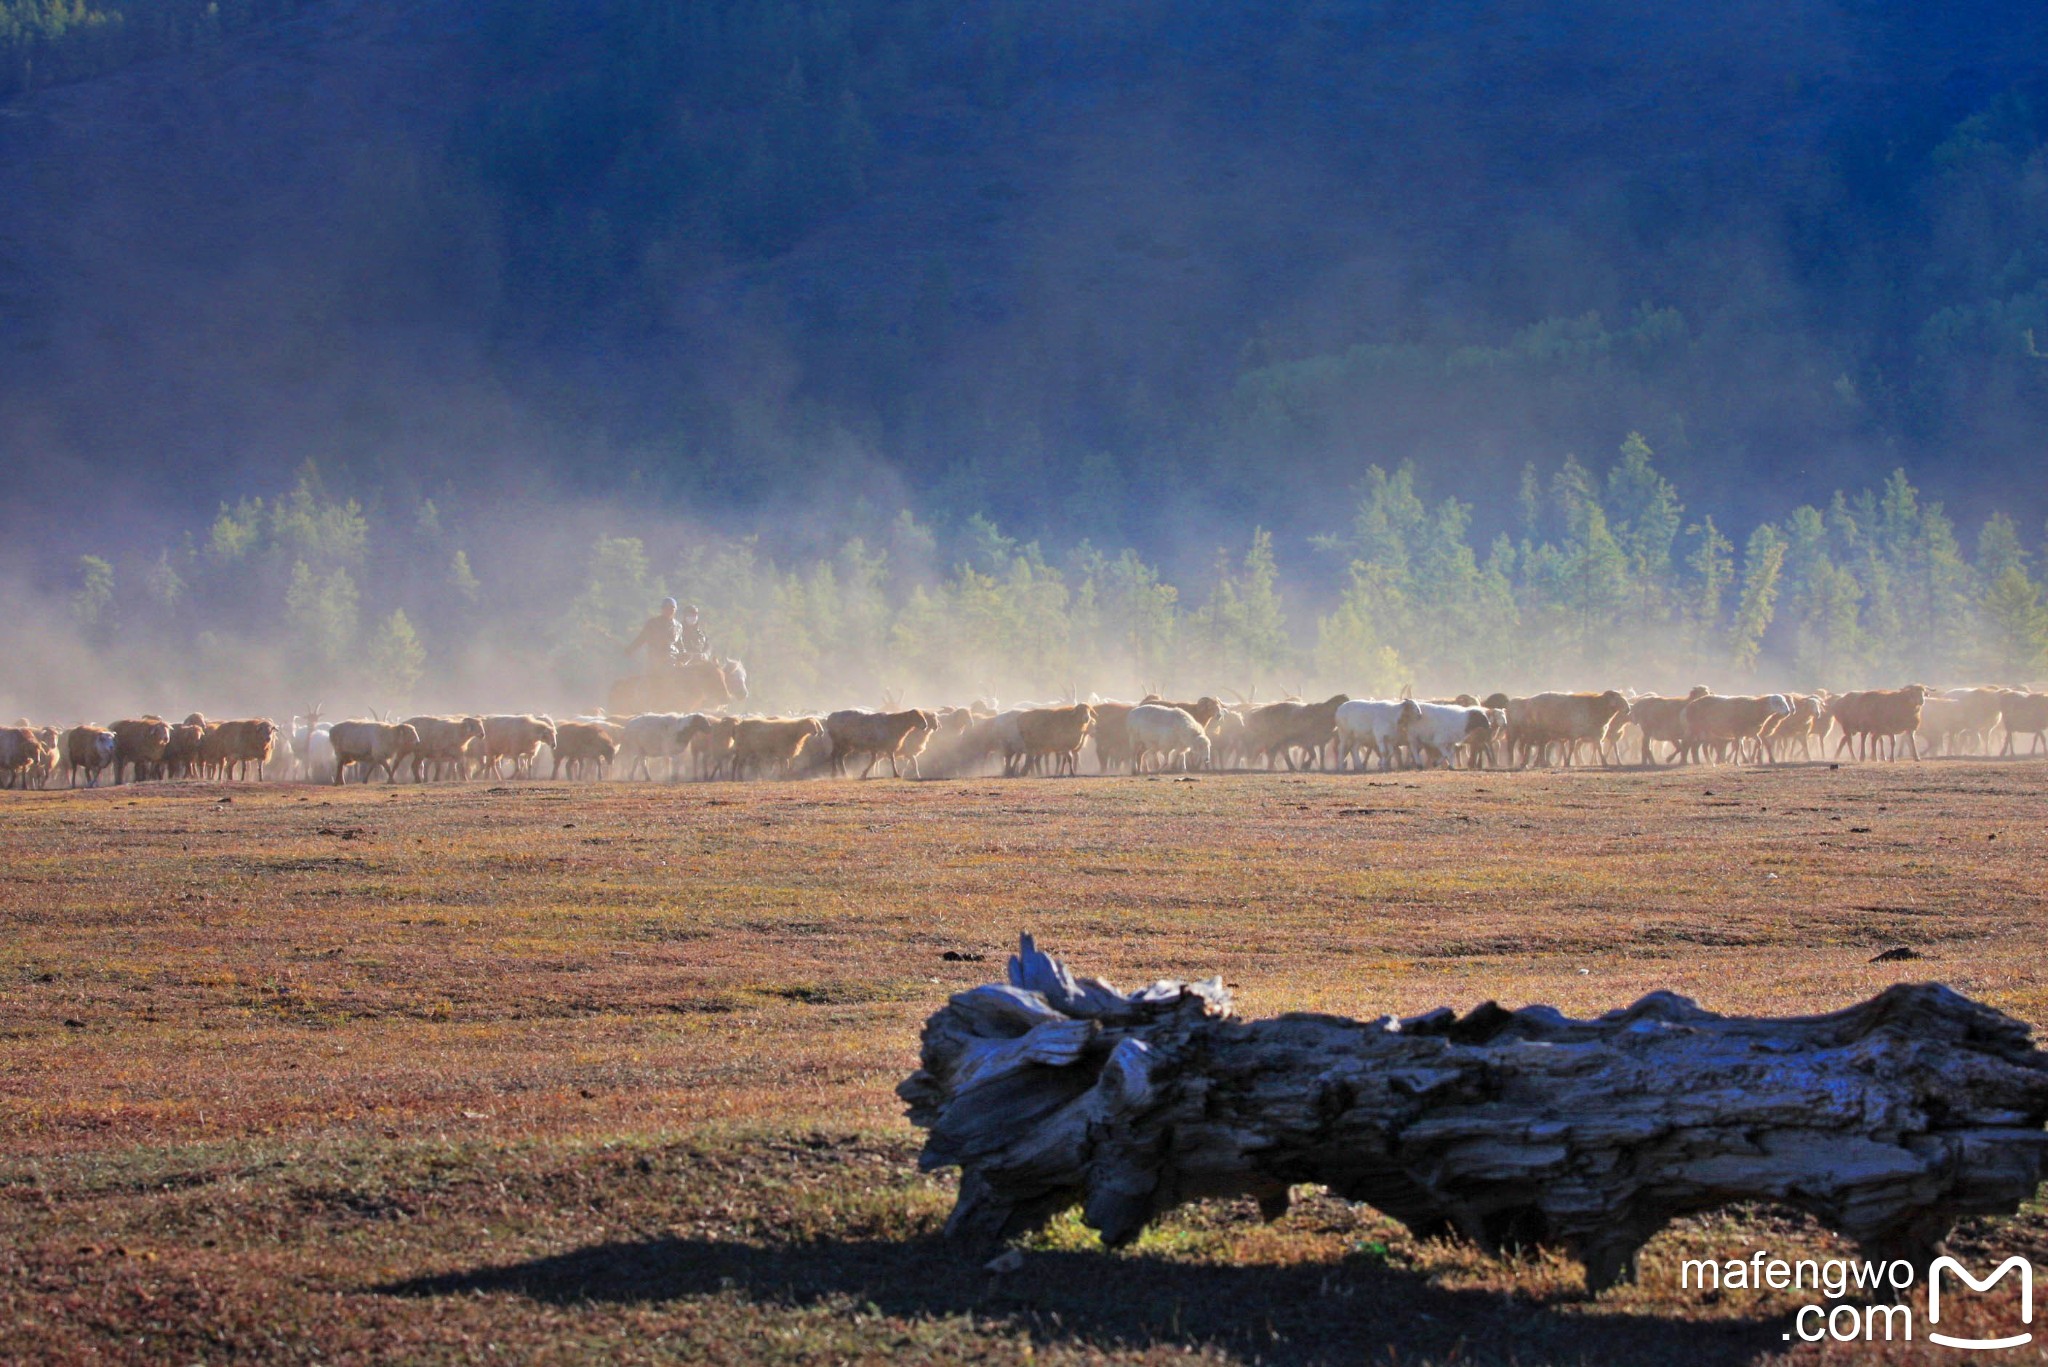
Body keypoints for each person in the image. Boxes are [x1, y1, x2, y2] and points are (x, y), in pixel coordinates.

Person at [623, 597, 685, 673]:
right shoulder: (653, 623)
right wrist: (630, 649)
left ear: (675, 610)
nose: (669, 610)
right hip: (655, 659)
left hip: (672, 659)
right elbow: (641, 638)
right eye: (666, 607)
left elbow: (680, 645)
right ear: (662, 609)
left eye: (672, 608)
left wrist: (683, 658)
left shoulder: (678, 626)